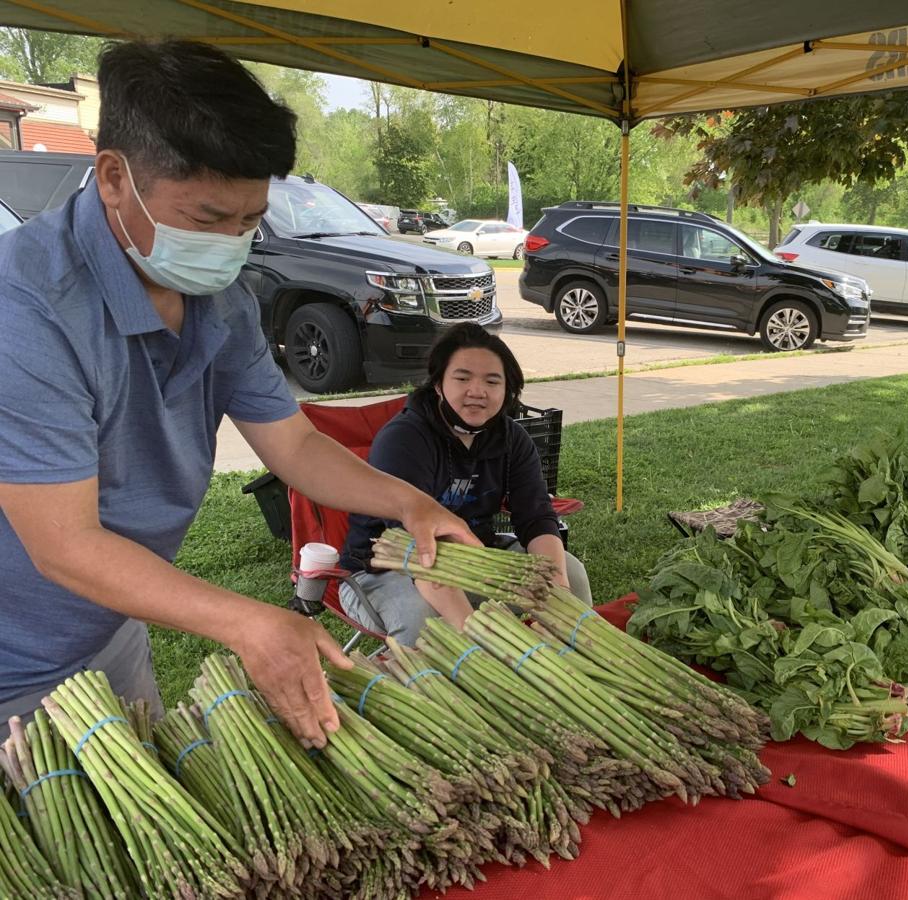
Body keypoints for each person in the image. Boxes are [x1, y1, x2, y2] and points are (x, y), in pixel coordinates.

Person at [0, 40, 480, 749]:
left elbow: (295, 444)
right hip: (13, 652)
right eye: (207, 219)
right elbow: (64, 544)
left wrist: (409, 503)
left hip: (112, 617)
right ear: (113, 178)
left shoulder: (215, 297)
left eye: (250, 221)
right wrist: (247, 621)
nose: (230, 243)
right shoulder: (25, 304)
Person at [340, 323, 591, 642]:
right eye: (462, 378)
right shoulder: (404, 440)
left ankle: (572, 658)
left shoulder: (512, 439)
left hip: (478, 557)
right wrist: (475, 634)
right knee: (423, 621)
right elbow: (418, 549)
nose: (477, 391)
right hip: (388, 567)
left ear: (507, 390)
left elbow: (537, 518)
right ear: (438, 384)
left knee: (570, 572)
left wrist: (561, 596)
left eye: (492, 381)